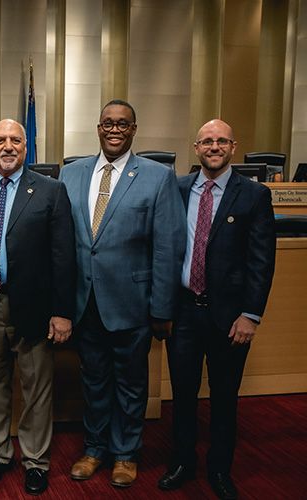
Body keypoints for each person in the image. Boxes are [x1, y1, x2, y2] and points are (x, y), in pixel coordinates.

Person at [59, 99, 186, 488]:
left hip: (132, 304)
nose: (115, 129)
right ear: (98, 128)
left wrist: (162, 308)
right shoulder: (70, 174)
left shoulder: (157, 176)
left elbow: (169, 246)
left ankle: (126, 454)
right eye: (108, 123)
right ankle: (96, 448)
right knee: (93, 381)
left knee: (131, 384)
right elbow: (63, 244)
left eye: (123, 124)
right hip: (85, 302)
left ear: (134, 129)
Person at [0, 119, 76, 496]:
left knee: (36, 387)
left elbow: (64, 257)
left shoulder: (51, 191)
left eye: (15, 140)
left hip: (35, 308)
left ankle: (36, 461)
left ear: (26, 147)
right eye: (0, 140)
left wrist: (62, 311)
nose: (8, 146)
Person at [157, 119, 276, 500]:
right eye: (207, 141)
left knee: (225, 396)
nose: (214, 146)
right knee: (184, 393)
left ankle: (220, 469)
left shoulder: (253, 195)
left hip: (230, 318)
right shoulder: (175, 189)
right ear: (196, 148)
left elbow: (261, 260)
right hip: (184, 311)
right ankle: (182, 462)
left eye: (221, 140)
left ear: (233, 146)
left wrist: (251, 314)